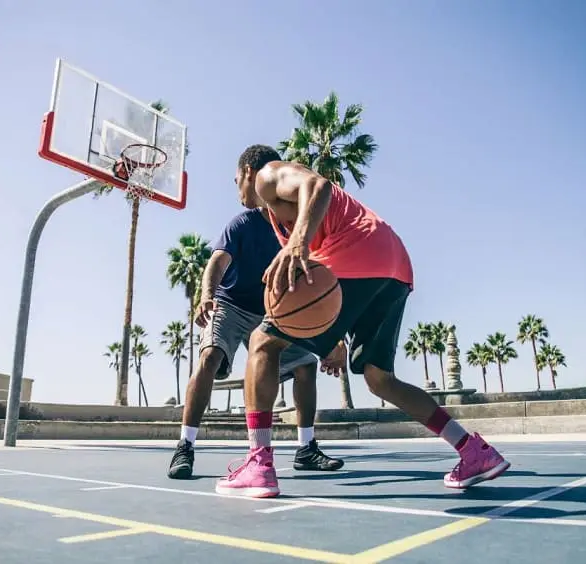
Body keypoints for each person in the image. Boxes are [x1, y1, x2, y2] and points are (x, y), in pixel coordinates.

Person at [215, 145, 511, 498]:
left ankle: (258, 464)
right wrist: (333, 336)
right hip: (394, 266)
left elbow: (320, 185)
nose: (238, 191)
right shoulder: (279, 215)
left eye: (235, 181)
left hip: (356, 253)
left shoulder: (267, 176)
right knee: (379, 378)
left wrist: (298, 244)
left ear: (247, 171)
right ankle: (473, 451)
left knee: (262, 342)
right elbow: (323, 299)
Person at [167, 206, 344, 480]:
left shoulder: (295, 228)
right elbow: (217, 261)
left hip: (271, 312)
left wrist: (330, 337)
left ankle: (306, 449)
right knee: (210, 357)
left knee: (306, 365)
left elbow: (316, 288)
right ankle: (185, 445)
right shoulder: (242, 223)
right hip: (229, 304)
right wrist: (207, 295)